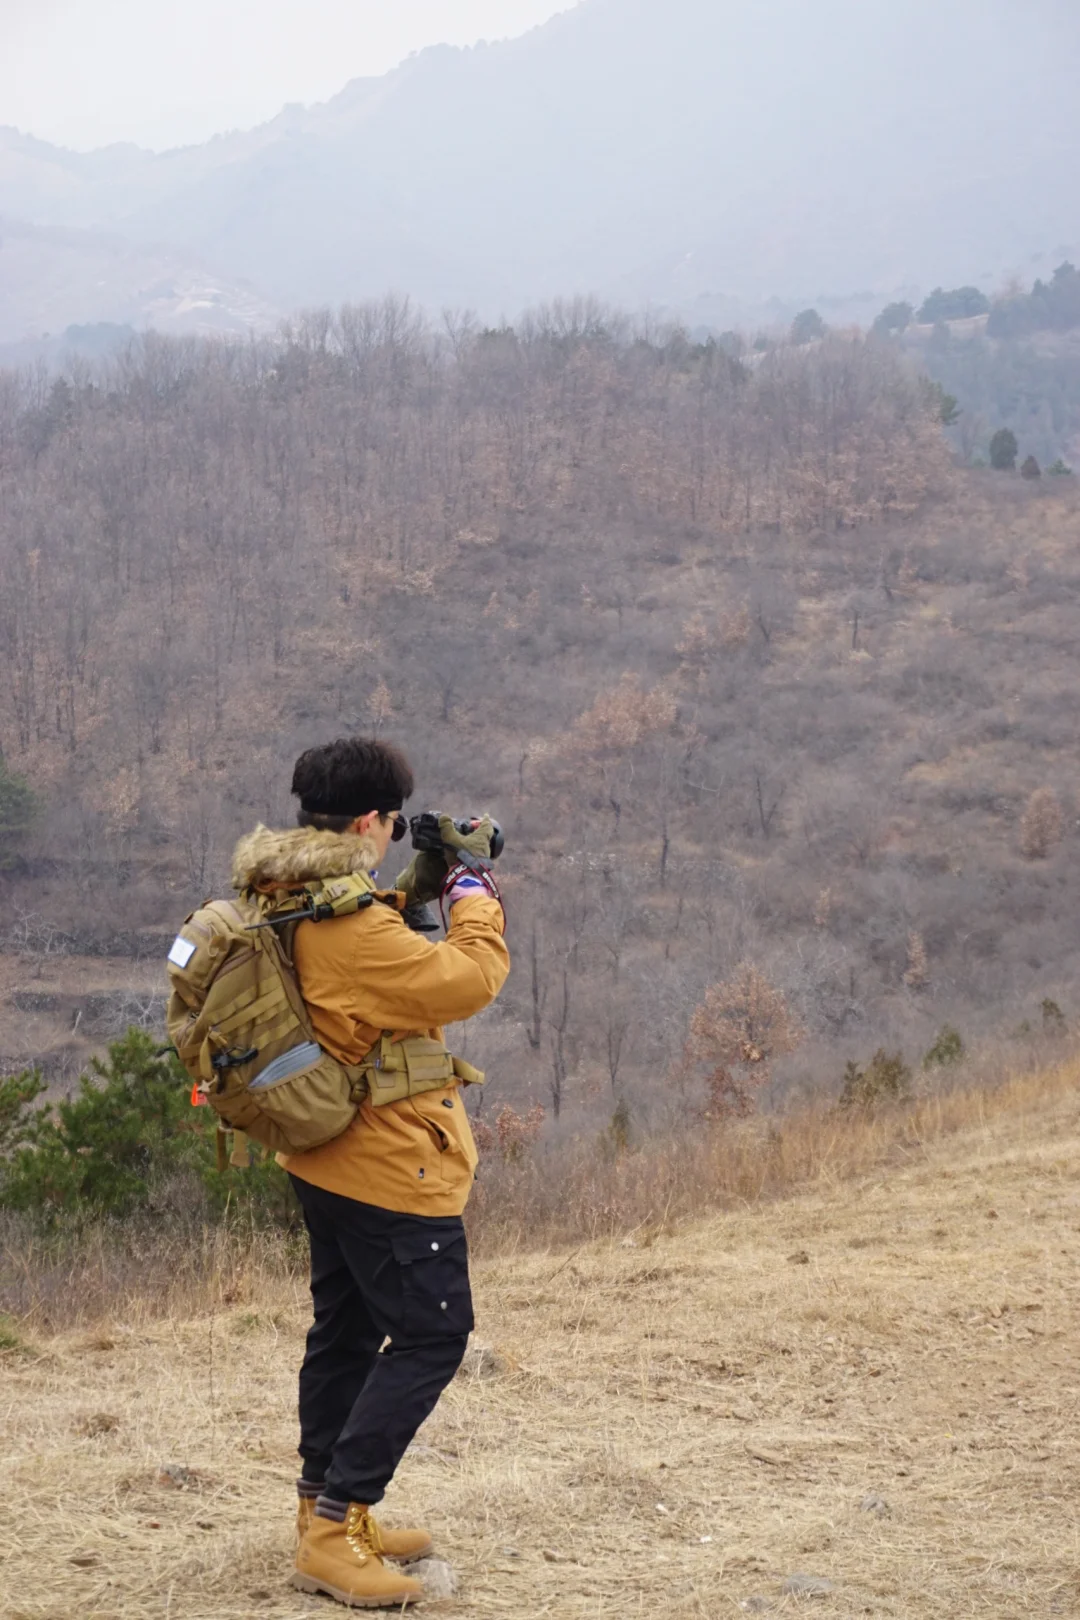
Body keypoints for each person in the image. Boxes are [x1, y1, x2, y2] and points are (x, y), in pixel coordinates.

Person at [230, 737, 509, 1608]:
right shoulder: (349, 927)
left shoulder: (287, 887)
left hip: (325, 1155)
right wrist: (475, 894)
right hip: (387, 1167)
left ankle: (326, 1510)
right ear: (367, 822)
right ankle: (333, 1526)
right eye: (392, 821)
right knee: (432, 1335)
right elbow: (467, 980)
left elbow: (366, 942)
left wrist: (418, 882)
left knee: (346, 1333)